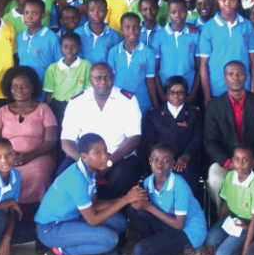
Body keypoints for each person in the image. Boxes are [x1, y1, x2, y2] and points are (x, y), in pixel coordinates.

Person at [35, 134, 146, 255]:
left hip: (70, 219)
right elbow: (92, 219)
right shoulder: (77, 179)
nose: (105, 156)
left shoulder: (90, 171)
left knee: (119, 222)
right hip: (51, 228)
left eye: (105, 150)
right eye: (98, 153)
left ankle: (77, 252)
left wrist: (126, 198)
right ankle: (57, 254)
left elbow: (94, 204)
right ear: (84, 156)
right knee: (109, 240)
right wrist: (125, 200)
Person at [58, 63, 143, 199]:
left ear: (113, 78)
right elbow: (66, 140)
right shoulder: (77, 102)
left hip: (118, 155)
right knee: (63, 175)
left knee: (122, 176)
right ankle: (77, 214)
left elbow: (134, 138)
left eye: (107, 77)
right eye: (97, 78)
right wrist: (85, 163)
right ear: (90, 80)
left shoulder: (128, 100)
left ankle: (110, 211)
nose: (103, 82)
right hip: (85, 157)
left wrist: (108, 162)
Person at [203, 61, 254, 208]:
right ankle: (222, 219)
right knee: (215, 180)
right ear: (224, 78)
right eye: (230, 74)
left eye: (239, 73)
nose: (235, 77)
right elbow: (210, 142)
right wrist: (227, 163)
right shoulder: (214, 105)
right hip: (227, 162)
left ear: (246, 77)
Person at [125, 143, 207, 255]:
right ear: (150, 161)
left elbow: (179, 224)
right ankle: (161, 251)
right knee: (134, 210)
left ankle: (191, 250)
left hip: (189, 231)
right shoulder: (148, 182)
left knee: (140, 251)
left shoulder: (179, 184)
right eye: (156, 159)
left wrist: (148, 207)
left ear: (173, 163)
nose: (160, 164)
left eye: (166, 160)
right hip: (169, 223)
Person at [0, 66, 58, 205]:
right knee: (1, 174)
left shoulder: (44, 109)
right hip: (7, 158)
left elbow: (51, 140)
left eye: (24, 86)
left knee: (39, 174)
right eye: (15, 86)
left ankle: (37, 212)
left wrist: (30, 155)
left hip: (37, 157)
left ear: (32, 87)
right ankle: (8, 210)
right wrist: (7, 155)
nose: (19, 90)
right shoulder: (2, 111)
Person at [203, 145, 254, 255]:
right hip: (233, 217)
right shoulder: (230, 176)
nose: (240, 164)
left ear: (253, 162)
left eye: (245, 160)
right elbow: (226, 203)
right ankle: (231, 240)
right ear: (232, 160)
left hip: (249, 223)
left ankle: (250, 243)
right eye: (237, 159)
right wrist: (219, 226)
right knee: (210, 240)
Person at [141, 76, 202, 193]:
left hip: (184, 160)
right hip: (159, 161)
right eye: (171, 92)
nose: (175, 96)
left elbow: (197, 138)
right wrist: (158, 159)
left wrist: (186, 156)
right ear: (165, 94)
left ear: (185, 94)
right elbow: (147, 141)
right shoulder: (154, 114)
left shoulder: (194, 113)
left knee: (187, 179)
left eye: (180, 92)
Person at [199, 0, 254, 103]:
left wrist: (253, 88)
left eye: (232, 0)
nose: (228, 4)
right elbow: (203, 63)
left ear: (237, 0)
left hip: (243, 86)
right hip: (217, 86)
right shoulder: (209, 27)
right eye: (223, 0)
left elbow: (252, 60)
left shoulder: (247, 25)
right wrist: (206, 96)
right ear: (217, 1)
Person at [43, 32, 92, 155]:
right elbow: (49, 94)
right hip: (58, 106)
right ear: (60, 47)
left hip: (79, 106)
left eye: (73, 46)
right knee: (60, 134)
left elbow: (88, 91)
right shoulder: (52, 68)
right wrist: (46, 111)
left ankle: (79, 159)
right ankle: (60, 161)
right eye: (65, 46)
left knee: (79, 134)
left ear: (79, 48)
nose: (69, 50)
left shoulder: (85, 65)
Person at [108, 13, 158, 114]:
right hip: (118, 103)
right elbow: (110, 79)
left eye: (135, 27)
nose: (131, 31)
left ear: (140, 29)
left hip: (141, 102)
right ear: (121, 30)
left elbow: (150, 81)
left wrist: (155, 105)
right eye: (127, 27)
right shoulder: (113, 52)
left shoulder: (147, 52)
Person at [16, 0, 61, 99]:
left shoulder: (51, 37)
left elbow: (59, 65)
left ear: (43, 15)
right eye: (26, 13)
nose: (29, 17)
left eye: (34, 13)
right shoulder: (20, 37)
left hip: (45, 91)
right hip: (25, 91)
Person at [76, 0, 122, 65]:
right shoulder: (78, 33)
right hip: (83, 74)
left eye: (100, 10)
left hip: (104, 74)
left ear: (106, 12)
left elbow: (117, 60)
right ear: (87, 12)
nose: (96, 14)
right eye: (92, 10)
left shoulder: (114, 36)